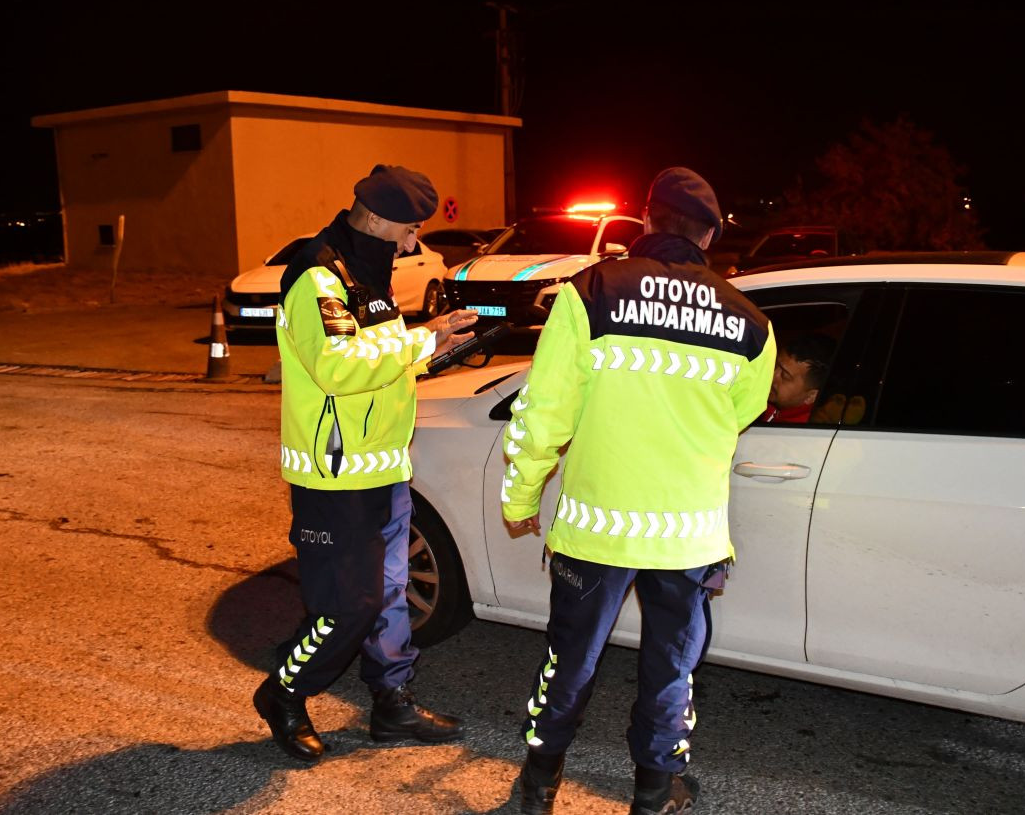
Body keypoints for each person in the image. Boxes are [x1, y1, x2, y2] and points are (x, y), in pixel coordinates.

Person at [500, 167, 776, 814]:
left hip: (596, 529)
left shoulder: (589, 293)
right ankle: (654, 791)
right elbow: (740, 411)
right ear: (709, 234)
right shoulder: (750, 323)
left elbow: (542, 415)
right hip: (689, 535)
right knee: (672, 667)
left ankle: (540, 783)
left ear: (647, 220)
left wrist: (519, 499)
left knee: (569, 660)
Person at [252, 164, 478, 764]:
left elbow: (378, 360)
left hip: (383, 467)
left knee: (390, 593)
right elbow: (337, 366)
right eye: (407, 230)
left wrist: (434, 353)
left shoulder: (369, 271)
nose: (412, 244)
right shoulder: (317, 276)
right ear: (374, 216)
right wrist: (421, 339)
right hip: (334, 476)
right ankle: (285, 693)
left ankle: (392, 705)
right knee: (347, 607)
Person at [761, 332, 835, 424]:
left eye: (784, 376)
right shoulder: (766, 402)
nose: (772, 375)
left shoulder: (798, 433)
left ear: (811, 396)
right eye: (775, 365)